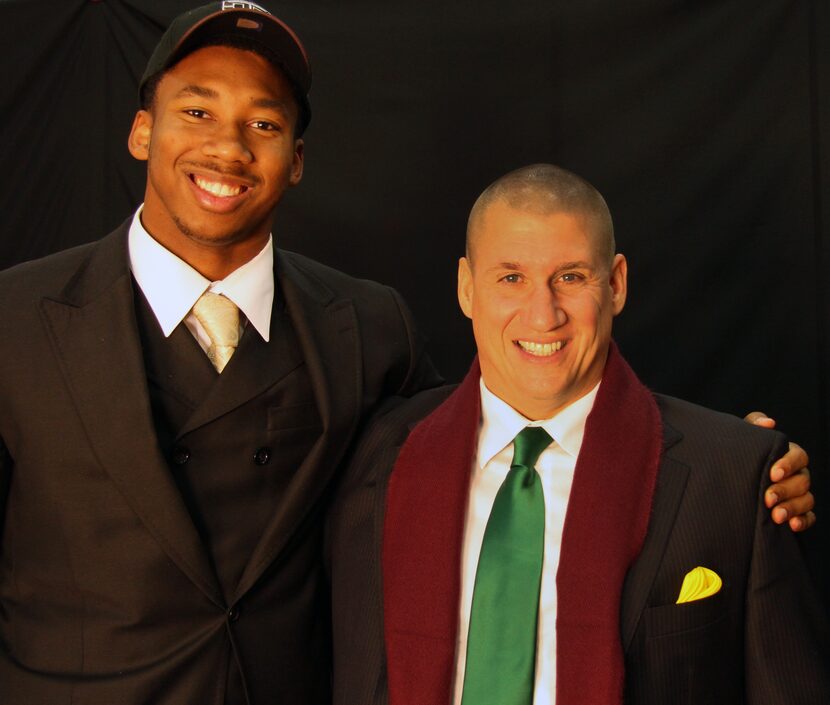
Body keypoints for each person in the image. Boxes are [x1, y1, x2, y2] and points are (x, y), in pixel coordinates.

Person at [0, 3, 441, 704]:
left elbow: (442, 522)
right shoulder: (15, 321)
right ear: (143, 131)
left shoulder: (371, 327)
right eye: (197, 113)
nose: (229, 148)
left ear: (295, 161)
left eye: (263, 124)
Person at [328, 164, 828, 705]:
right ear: (467, 288)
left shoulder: (736, 477)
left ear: (615, 284)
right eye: (511, 278)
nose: (543, 316)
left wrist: (748, 462)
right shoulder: (373, 454)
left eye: (570, 277)